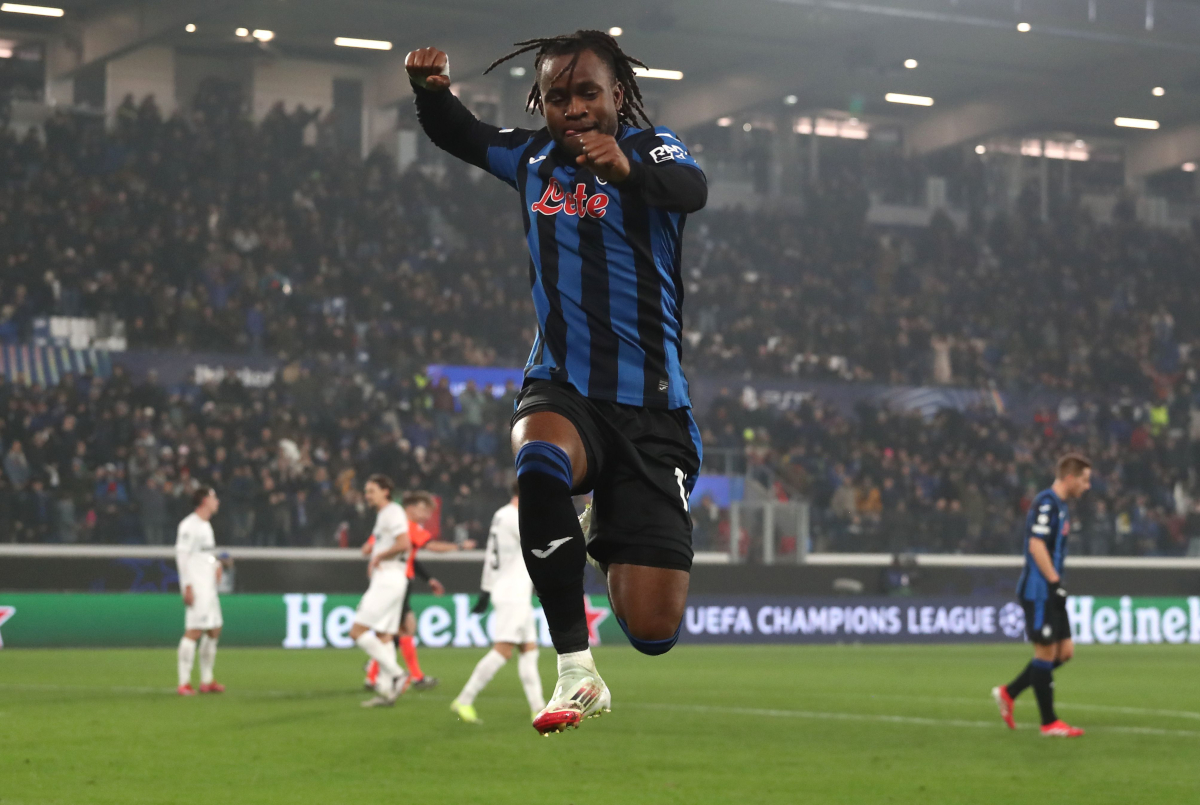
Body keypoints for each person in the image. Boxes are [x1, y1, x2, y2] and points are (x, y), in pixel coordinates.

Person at [408, 30, 707, 734]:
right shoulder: (531, 158)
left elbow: (691, 190)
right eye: (556, 96)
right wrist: (431, 94)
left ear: (618, 96)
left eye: (587, 93)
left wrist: (625, 171)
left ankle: (604, 519)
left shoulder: (653, 149)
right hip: (562, 385)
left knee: (653, 630)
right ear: (540, 102)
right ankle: (576, 669)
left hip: (652, 410)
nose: (572, 108)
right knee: (538, 463)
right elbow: (462, 134)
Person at [992, 454, 1092, 737]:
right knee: (1046, 652)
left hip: (1051, 588)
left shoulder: (1061, 506)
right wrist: (1054, 582)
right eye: (1084, 480)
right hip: (1039, 589)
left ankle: (1009, 692)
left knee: (1065, 652)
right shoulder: (1046, 503)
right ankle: (1049, 723)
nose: (1087, 486)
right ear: (1070, 478)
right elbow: (1036, 546)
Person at [451, 484, 545, 724]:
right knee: (503, 651)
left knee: (529, 650)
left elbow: (491, 556)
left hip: (514, 592)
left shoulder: (502, 515)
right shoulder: (514, 518)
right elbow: (541, 544)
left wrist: (485, 590)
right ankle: (464, 699)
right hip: (512, 593)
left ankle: (538, 708)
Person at [361, 490, 474, 691]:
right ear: (411, 508)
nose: (427, 516)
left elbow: (369, 548)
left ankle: (379, 673)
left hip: (392, 581)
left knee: (396, 630)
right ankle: (400, 675)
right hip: (397, 582)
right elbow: (432, 546)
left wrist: (428, 579)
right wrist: (459, 546)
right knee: (400, 629)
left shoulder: (391, 525)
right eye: (424, 510)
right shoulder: (407, 526)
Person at [350, 475, 412, 708]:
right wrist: (375, 552)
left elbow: (404, 543)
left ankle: (397, 674)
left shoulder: (392, 512)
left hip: (388, 579)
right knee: (384, 635)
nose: (368, 496)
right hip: (392, 578)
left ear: (386, 491)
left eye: (372, 491)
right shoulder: (385, 514)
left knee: (357, 631)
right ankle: (386, 692)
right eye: (366, 491)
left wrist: (378, 557)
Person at [175, 486, 224, 696]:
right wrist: (186, 586)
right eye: (214, 498)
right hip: (197, 587)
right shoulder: (189, 526)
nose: (217, 501)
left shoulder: (206, 525)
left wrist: (216, 564)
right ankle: (184, 682)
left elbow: (205, 554)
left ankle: (206, 680)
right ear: (204, 501)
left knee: (214, 629)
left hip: (209, 587)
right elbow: (182, 556)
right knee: (194, 631)